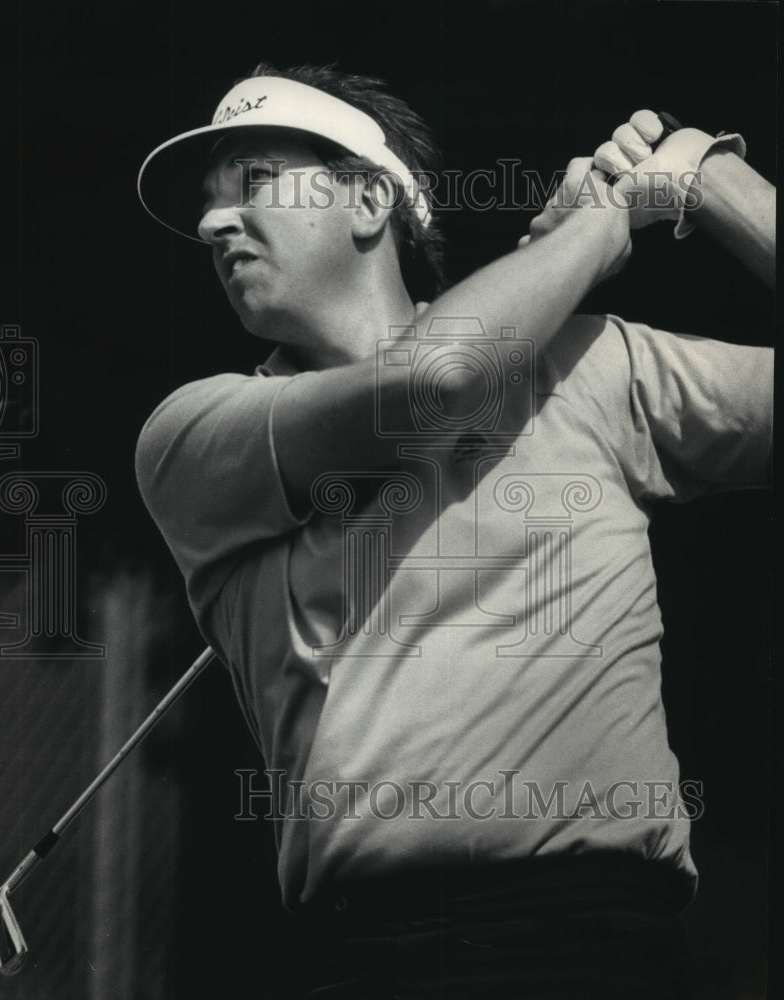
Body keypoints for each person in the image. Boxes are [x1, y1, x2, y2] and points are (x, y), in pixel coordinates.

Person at [134, 63, 774, 998]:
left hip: (603, 946)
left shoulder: (593, 365)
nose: (212, 222)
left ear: (365, 201)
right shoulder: (195, 433)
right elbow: (435, 382)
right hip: (369, 961)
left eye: (253, 183)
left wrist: (706, 178)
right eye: (207, 205)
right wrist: (599, 231)